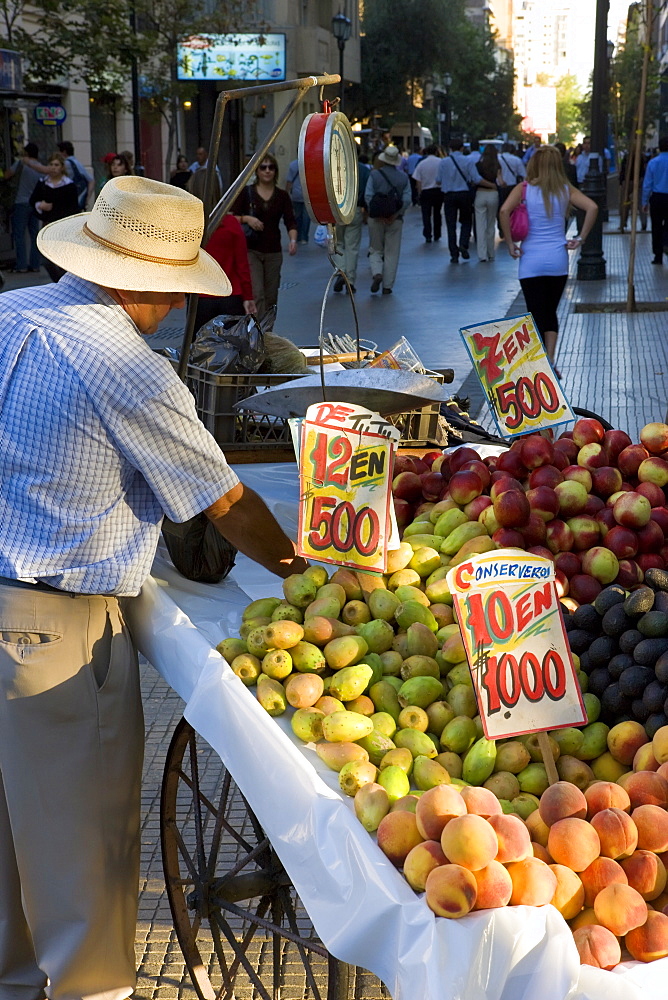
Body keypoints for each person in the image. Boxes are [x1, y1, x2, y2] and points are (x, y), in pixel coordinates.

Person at [0, 174, 307, 1000]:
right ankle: (91, 991)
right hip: (52, 626)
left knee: (9, 830)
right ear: (137, 279)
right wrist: (299, 570)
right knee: (83, 840)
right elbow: (226, 503)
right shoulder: (122, 363)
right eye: (171, 290)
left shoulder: (10, 313)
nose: (175, 307)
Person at [499, 145, 597, 371]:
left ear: (535, 164)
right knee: (550, 311)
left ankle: (539, 362)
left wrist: (511, 243)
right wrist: (580, 238)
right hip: (557, 260)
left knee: (534, 312)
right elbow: (592, 207)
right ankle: (550, 360)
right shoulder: (565, 189)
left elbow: (504, 211)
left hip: (531, 260)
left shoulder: (524, 189)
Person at [232, 153, 297, 318]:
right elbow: (231, 217)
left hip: (273, 251)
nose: (267, 171)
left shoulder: (282, 196)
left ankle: (267, 334)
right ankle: (258, 334)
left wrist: (293, 240)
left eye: (271, 167)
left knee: (271, 297)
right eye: (263, 167)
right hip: (252, 250)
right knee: (257, 294)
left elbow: (290, 221)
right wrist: (247, 218)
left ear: (275, 171)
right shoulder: (247, 193)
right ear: (257, 171)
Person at [194, 213, 257, 328]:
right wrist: (248, 296)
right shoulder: (231, 223)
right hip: (231, 294)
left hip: (202, 295)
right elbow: (242, 264)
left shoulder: (194, 223)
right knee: (232, 341)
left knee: (201, 341)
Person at [364, 144, 410, 295]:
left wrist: (376, 212)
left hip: (376, 218)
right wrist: (396, 214)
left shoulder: (374, 175)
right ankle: (387, 285)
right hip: (395, 219)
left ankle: (377, 273)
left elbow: (368, 196)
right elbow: (407, 199)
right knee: (392, 252)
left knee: (375, 248)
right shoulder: (403, 177)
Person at [29, 151, 80, 282]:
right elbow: (33, 200)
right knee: (46, 259)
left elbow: (73, 207)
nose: (53, 167)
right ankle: (58, 281)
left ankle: (65, 282)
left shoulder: (69, 185)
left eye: (56, 164)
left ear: (62, 167)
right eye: (51, 164)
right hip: (48, 225)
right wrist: (40, 205)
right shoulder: (43, 183)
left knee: (63, 257)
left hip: (64, 227)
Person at [4, 142, 47, 273]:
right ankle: (35, 264)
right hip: (35, 204)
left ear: (26, 153)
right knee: (35, 234)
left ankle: (21, 265)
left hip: (20, 202)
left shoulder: (21, 163)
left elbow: (7, 175)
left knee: (19, 235)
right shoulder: (41, 168)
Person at [333, 151, 371, 294]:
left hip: (337, 209)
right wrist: (365, 211)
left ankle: (341, 271)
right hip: (354, 208)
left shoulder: (335, 167)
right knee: (352, 247)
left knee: (338, 244)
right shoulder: (364, 170)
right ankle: (350, 280)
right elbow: (367, 192)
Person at [436, 139, 475, 263]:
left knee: (450, 224)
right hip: (464, 194)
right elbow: (475, 178)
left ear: (450, 148)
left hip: (449, 195)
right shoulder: (468, 161)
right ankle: (463, 243)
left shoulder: (443, 162)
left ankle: (453, 253)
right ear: (462, 148)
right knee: (466, 220)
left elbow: (438, 180)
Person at [471, 145, 502, 262]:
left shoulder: (478, 165)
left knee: (480, 225)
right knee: (490, 224)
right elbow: (500, 181)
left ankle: (482, 254)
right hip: (493, 195)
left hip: (480, 194)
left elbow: (474, 180)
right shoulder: (497, 165)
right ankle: (491, 253)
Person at [642, 135, 668, 264]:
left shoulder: (653, 162)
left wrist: (644, 201)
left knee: (656, 226)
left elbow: (647, 184)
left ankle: (658, 255)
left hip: (657, 197)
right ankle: (666, 243)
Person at [412, 144, 443, 243]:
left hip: (426, 191)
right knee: (437, 213)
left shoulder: (422, 164)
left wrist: (419, 193)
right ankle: (437, 233)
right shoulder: (441, 162)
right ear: (436, 151)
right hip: (438, 190)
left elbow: (418, 180)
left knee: (426, 214)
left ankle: (428, 234)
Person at [57, 140, 95, 210]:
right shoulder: (76, 162)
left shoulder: (67, 163)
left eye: (59, 151)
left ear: (64, 152)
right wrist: (87, 197)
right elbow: (91, 180)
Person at [285, 157, 310, 244]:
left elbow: (289, 180)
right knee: (306, 217)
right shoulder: (309, 164)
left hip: (296, 194)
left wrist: (286, 192)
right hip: (308, 194)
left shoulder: (293, 164)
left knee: (297, 216)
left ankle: (297, 236)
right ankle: (304, 238)